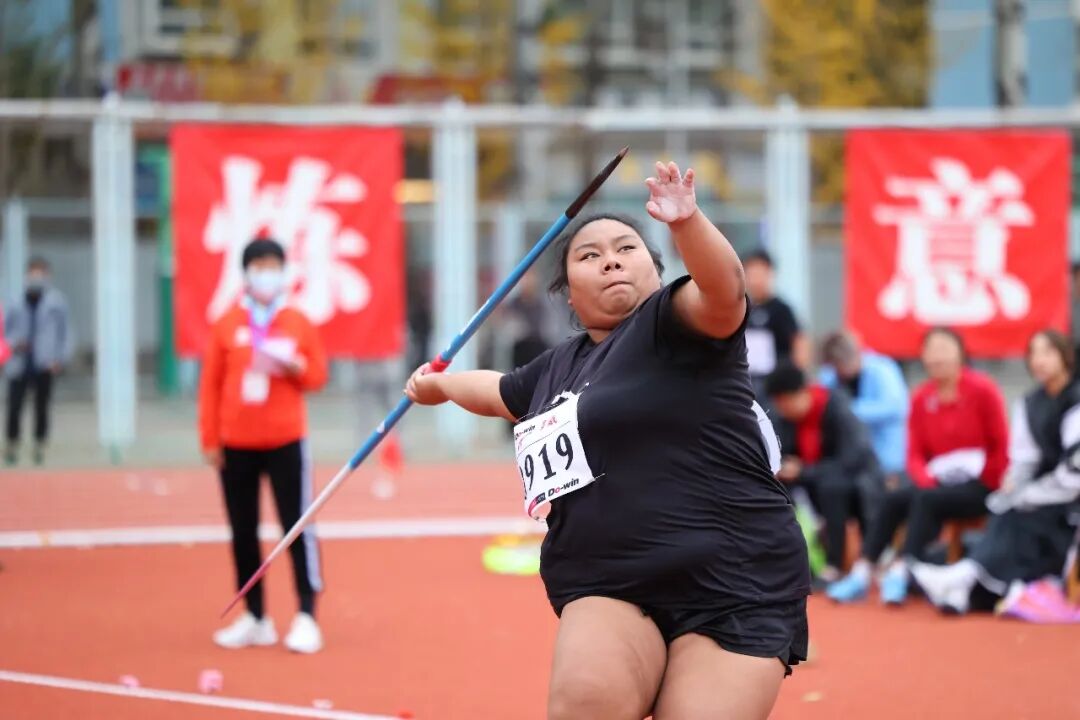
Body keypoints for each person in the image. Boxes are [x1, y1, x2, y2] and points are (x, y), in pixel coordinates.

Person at [407, 161, 809, 720]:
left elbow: (724, 291)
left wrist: (686, 222)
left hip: (734, 581)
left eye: (626, 248)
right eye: (589, 255)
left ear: (658, 272)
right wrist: (438, 386)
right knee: (586, 704)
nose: (611, 260)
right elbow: (499, 392)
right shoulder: (560, 366)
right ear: (570, 296)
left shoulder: (676, 324)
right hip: (609, 581)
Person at [200, 238, 329, 654]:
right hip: (236, 443)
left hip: (285, 440)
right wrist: (210, 438)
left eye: (273, 266)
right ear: (246, 273)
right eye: (259, 266)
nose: (266, 274)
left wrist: (296, 367)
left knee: (296, 525)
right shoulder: (227, 323)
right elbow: (210, 385)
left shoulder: (296, 320)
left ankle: (306, 614)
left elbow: (317, 377)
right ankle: (255, 616)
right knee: (242, 530)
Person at [828, 327, 1008, 605]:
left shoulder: (984, 390)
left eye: (943, 349)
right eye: (931, 350)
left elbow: (1001, 445)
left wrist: (986, 477)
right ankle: (862, 571)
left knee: (925, 499)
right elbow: (914, 455)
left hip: (980, 485)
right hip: (936, 483)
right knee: (894, 499)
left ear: (960, 353)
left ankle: (902, 570)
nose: (937, 357)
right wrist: (925, 479)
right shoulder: (922, 397)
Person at [911, 330, 1080, 614]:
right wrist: (1015, 483)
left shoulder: (1076, 400)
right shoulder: (1029, 403)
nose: (1039, 360)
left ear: (1066, 356)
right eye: (1033, 353)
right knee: (1004, 508)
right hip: (1038, 498)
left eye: (1048, 352)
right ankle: (963, 589)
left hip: (1069, 506)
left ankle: (963, 576)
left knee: (1019, 516)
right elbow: (1024, 459)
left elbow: (1075, 472)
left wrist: (1030, 494)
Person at [766, 360, 884, 582]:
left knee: (832, 487)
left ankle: (835, 563)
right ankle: (788, 559)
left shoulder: (836, 407)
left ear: (801, 393)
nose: (782, 409)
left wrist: (804, 471)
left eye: (785, 402)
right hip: (814, 481)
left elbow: (852, 459)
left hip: (855, 481)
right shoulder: (785, 421)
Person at [4, 257, 73, 466]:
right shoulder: (14, 301)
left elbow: (65, 332)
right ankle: (12, 443)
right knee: (14, 406)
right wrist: (13, 343)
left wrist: (60, 359)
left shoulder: (56, 302)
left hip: (45, 361)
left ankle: (39, 444)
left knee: (42, 406)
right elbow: (4, 330)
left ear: (47, 276)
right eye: (33, 274)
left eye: (40, 274)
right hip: (19, 361)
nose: (36, 279)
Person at [818, 331, 909, 478]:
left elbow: (896, 408)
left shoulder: (882, 369)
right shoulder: (830, 377)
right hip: (847, 459)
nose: (840, 370)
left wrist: (849, 412)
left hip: (885, 458)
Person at [742, 248, 809, 396]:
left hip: (775, 386)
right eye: (751, 274)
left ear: (770, 273)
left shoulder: (782, 310)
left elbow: (799, 343)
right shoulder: (740, 309)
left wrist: (796, 379)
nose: (755, 280)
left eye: (759, 274)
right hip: (745, 382)